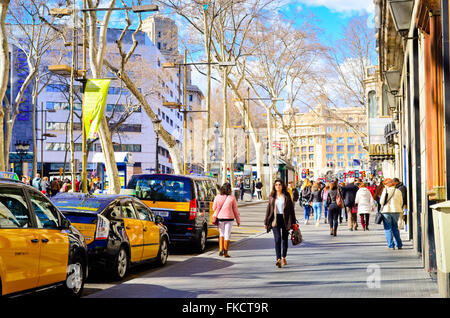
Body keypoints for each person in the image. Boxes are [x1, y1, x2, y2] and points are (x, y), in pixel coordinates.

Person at [264, 179, 297, 268]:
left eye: (279, 184)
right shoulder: (272, 196)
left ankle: (283, 257)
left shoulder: (286, 196)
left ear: (282, 186)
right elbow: (268, 210)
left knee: (284, 239)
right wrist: (266, 222)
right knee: (277, 239)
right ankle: (278, 259)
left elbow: (291, 210)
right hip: (275, 219)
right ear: (274, 186)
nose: (278, 186)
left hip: (285, 219)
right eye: (276, 185)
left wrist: (293, 221)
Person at [212, 182, 240, 258]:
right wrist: (238, 220)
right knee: (227, 234)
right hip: (230, 218)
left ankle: (221, 249)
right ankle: (225, 253)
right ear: (229, 189)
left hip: (220, 218)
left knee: (221, 233)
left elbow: (213, 208)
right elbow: (235, 210)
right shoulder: (232, 198)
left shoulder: (217, 197)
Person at [379, 178, 403, 250]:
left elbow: (381, 202)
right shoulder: (398, 191)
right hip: (396, 211)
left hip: (386, 211)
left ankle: (391, 245)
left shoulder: (385, 190)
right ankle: (399, 244)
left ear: (386, 184)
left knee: (388, 228)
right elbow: (401, 201)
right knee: (395, 227)